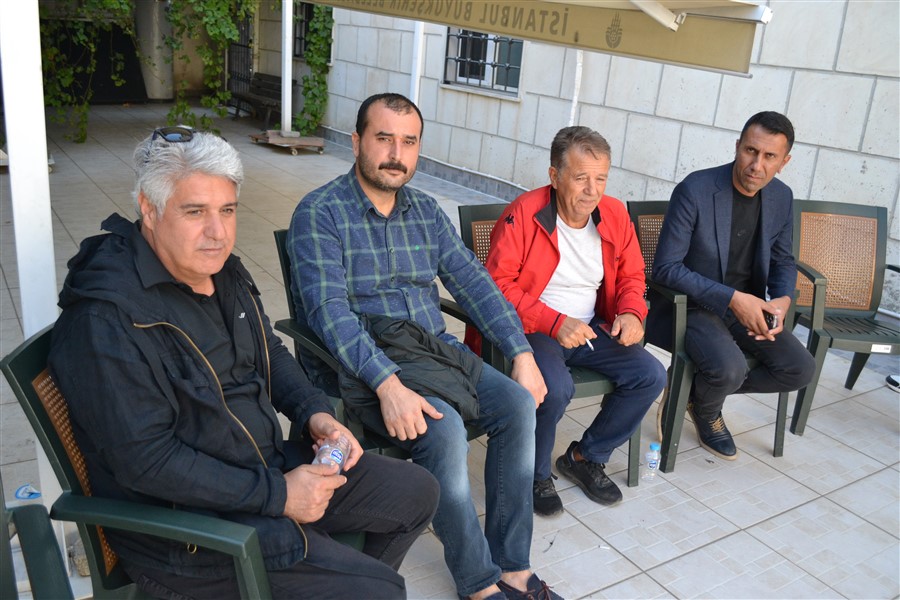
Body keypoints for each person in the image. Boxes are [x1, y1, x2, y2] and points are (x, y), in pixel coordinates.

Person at [48, 127, 440, 600]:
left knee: (416, 491)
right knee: (381, 591)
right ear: (149, 210)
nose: (218, 233)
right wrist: (280, 496)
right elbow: (148, 462)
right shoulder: (106, 320)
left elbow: (267, 351)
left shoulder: (220, 270)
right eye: (195, 211)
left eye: (227, 210)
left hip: (259, 467)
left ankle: (330, 576)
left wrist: (314, 413)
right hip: (189, 533)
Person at [289, 93, 561, 600]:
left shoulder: (426, 211)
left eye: (409, 142)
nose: (396, 154)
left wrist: (520, 352)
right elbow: (329, 313)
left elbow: (474, 283)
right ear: (357, 142)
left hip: (432, 353)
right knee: (446, 429)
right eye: (384, 139)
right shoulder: (321, 213)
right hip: (362, 363)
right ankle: (478, 583)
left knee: (518, 404)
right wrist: (387, 384)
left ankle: (512, 566)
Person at [479, 126, 666, 516]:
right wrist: (553, 322)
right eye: (581, 178)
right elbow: (497, 286)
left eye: (601, 179)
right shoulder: (524, 212)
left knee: (650, 375)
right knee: (554, 388)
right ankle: (534, 475)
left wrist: (631, 311)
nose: (592, 190)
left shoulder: (614, 214)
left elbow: (633, 275)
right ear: (555, 176)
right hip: (534, 327)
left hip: (592, 326)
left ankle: (585, 457)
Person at [649, 111, 816, 460]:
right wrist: (733, 298)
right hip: (691, 306)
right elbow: (665, 268)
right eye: (750, 151)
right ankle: (709, 410)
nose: (757, 165)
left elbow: (783, 260)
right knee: (729, 369)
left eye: (769, 156)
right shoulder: (696, 189)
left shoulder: (782, 197)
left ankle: (693, 392)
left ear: (784, 162)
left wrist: (782, 300)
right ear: (737, 146)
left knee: (799, 368)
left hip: (748, 307)